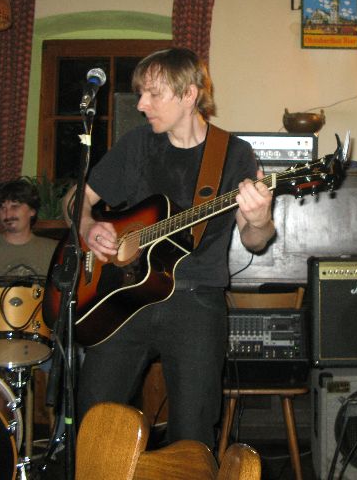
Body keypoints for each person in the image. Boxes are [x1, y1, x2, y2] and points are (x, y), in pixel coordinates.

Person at [64, 47, 275, 447]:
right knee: (94, 421)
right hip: (121, 298)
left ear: (189, 94)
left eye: (153, 94)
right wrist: (88, 225)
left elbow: (255, 241)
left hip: (195, 301)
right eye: (141, 93)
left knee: (193, 433)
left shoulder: (234, 154)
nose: (141, 104)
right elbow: (77, 199)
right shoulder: (137, 145)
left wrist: (261, 219)